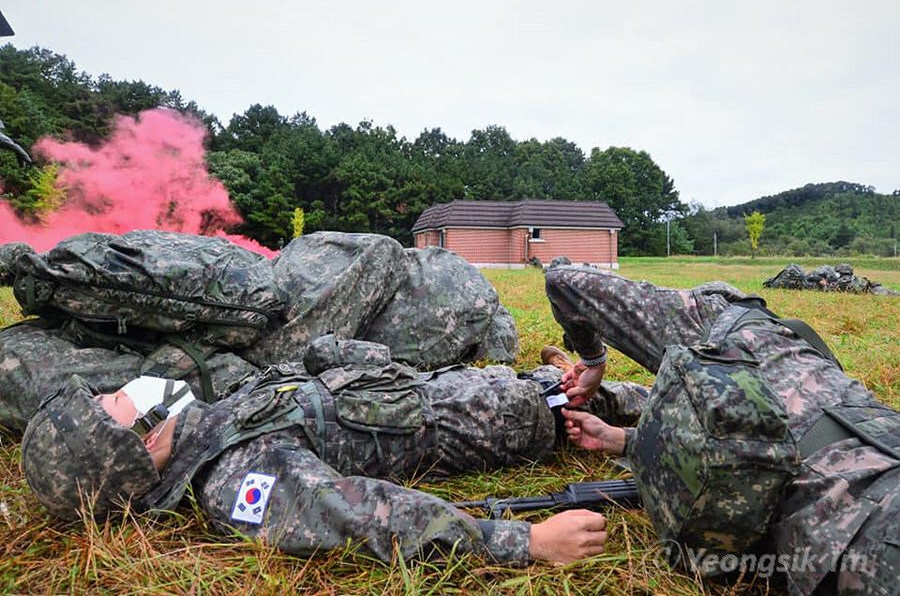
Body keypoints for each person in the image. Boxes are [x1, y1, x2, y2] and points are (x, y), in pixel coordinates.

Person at [21, 333, 649, 566]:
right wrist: (527, 542)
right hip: (489, 419)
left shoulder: (203, 423)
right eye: (112, 406)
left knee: (582, 392)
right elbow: (361, 514)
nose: (119, 391)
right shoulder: (237, 478)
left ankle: (578, 385)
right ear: (134, 446)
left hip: (441, 389)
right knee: (617, 402)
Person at [544, 264, 900, 596]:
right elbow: (761, 437)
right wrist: (624, 441)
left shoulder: (705, 324)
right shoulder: (810, 358)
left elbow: (563, 280)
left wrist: (593, 361)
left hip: (859, 532)